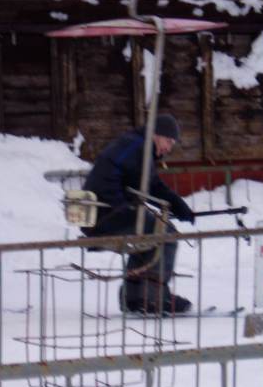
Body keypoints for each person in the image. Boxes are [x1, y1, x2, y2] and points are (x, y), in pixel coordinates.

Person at [81, 115, 195, 315]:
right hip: (109, 212)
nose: (169, 148)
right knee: (167, 235)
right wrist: (177, 205)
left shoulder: (135, 144)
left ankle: (134, 297)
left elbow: (144, 183)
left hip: (102, 211)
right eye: (168, 141)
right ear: (156, 134)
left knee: (148, 238)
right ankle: (154, 297)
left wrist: (176, 205)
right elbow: (149, 186)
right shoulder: (138, 147)